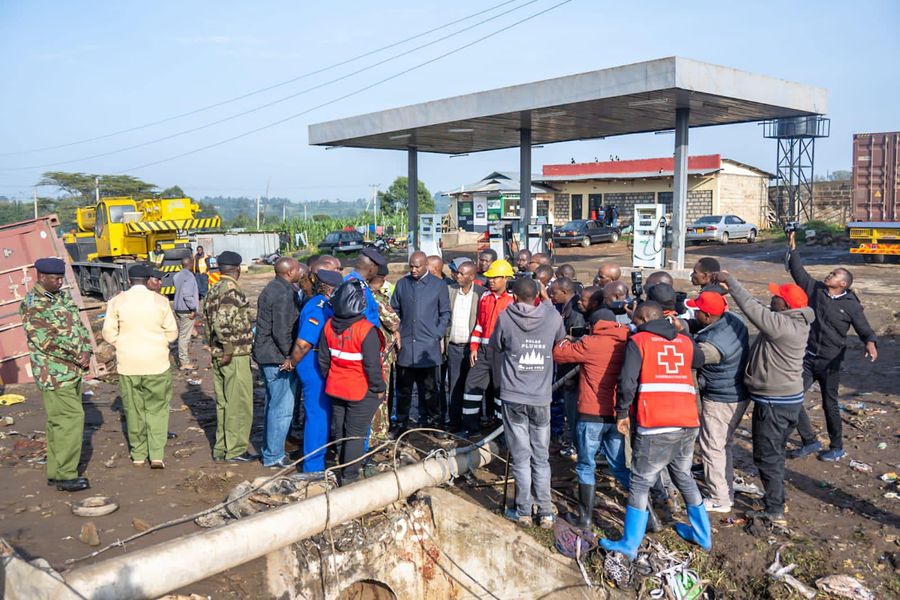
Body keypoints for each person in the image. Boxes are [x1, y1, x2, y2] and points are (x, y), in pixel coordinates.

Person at [600, 302, 709, 558]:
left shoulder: (640, 340)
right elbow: (700, 359)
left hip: (655, 421)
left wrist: (622, 413)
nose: (633, 324)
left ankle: (629, 544)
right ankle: (703, 536)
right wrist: (684, 332)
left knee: (640, 482)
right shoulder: (683, 340)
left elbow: (627, 381)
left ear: (642, 318)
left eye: (635, 320)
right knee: (683, 475)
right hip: (687, 420)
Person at [714, 271, 813, 525]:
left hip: (774, 404)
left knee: (766, 456)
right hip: (787, 401)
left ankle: (774, 509)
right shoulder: (795, 321)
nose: (772, 299)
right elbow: (758, 309)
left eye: (777, 297)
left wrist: (731, 280)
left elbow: (750, 308)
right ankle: (776, 500)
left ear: (787, 306)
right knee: (775, 453)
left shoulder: (783, 326)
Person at [786, 232, 878, 462]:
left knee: (830, 405)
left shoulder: (851, 305)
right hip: (807, 358)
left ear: (843, 283)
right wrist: (793, 247)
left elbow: (863, 327)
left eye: (835, 274)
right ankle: (810, 440)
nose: (830, 274)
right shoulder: (815, 290)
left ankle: (836, 446)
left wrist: (870, 342)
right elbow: (799, 272)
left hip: (830, 362)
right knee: (792, 397)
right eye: (831, 272)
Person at [492, 277, 565, 527]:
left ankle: (523, 510)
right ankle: (545, 511)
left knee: (521, 456)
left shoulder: (505, 317)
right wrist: (545, 300)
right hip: (541, 398)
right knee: (541, 456)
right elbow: (561, 338)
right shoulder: (552, 317)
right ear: (538, 294)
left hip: (513, 396)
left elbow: (497, 346)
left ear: (513, 295)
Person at [20, 258, 93, 492]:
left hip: (71, 372)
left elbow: (78, 327)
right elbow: (46, 341)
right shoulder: (33, 304)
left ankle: (56, 471)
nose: (59, 282)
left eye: (61, 278)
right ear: (41, 277)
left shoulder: (60, 297)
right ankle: (65, 475)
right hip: (54, 374)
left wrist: (87, 350)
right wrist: (77, 356)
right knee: (70, 419)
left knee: (58, 423)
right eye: (55, 278)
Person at [553, 308, 630, 529]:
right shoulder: (628, 340)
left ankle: (585, 517)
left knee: (586, 465)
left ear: (594, 325)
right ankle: (647, 514)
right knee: (620, 467)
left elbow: (560, 354)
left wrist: (567, 339)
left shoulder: (591, 342)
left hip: (592, 413)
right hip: (617, 414)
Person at [102, 263, 178, 468]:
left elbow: (108, 334)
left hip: (128, 364)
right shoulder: (160, 301)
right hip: (157, 364)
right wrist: (160, 343)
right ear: (147, 281)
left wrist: (122, 343)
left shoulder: (116, 302)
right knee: (157, 409)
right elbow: (172, 333)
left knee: (133, 410)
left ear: (128, 280)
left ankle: (137, 454)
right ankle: (156, 455)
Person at [318, 280, 386, 484]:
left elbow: (323, 360)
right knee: (355, 434)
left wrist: (333, 378)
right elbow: (373, 367)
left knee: (340, 431)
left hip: (336, 388)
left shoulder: (329, 326)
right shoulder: (367, 330)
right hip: (361, 391)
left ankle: (341, 469)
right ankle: (349, 477)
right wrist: (379, 389)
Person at [688, 292, 750, 513]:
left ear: (706, 315)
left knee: (713, 447)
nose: (694, 312)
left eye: (697, 310)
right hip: (737, 392)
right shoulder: (732, 319)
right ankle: (725, 490)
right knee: (723, 444)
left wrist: (677, 335)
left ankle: (720, 499)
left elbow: (692, 359)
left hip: (720, 399)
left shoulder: (712, 347)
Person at [204, 251, 257, 463]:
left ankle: (221, 448)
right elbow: (221, 322)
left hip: (219, 352)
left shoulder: (213, 288)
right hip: (233, 354)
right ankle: (235, 450)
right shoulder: (231, 290)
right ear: (237, 269)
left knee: (224, 403)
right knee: (239, 403)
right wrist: (227, 349)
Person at [390, 251, 451, 433]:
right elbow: (394, 311)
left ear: (425, 265)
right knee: (403, 391)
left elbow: (445, 313)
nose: (413, 270)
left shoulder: (438, 285)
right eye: (411, 266)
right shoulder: (402, 284)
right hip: (406, 347)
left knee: (431, 390)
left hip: (428, 348)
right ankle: (401, 425)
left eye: (417, 266)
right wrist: (397, 331)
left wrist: (436, 334)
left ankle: (434, 424)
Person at [291, 269, 343, 472]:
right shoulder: (317, 307)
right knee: (318, 414)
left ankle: (318, 458)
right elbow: (304, 343)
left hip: (319, 360)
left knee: (323, 412)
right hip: (312, 361)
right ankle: (313, 466)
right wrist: (292, 362)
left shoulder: (326, 303)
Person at [253, 257, 303, 468]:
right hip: (276, 357)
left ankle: (269, 451)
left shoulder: (271, 287)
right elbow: (282, 331)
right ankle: (274, 455)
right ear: (290, 272)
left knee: (272, 406)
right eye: (299, 268)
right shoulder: (284, 293)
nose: (302, 271)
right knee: (281, 409)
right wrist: (290, 357)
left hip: (266, 354)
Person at [462, 259, 515, 436]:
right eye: (489, 277)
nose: (491, 280)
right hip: (483, 351)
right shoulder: (485, 297)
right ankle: (471, 429)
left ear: (506, 278)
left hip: (503, 353)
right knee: (471, 386)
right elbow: (479, 325)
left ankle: (501, 432)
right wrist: (474, 347)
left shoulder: (513, 300)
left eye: (495, 277)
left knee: (501, 391)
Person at [548, 277, 586, 458]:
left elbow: (576, 347)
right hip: (566, 371)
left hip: (572, 373)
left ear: (564, 292)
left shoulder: (575, 312)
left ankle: (576, 448)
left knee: (573, 414)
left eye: (554, 292)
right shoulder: (566, 308)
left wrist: (571, 376)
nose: (551, 295)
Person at [445, 261, 484, 433]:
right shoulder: (450, 291)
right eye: (457, 273)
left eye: (462, 273)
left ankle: (473, 423)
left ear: (472, 277)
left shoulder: (481, 294)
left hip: (473, 349)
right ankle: (454, 421)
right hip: (454, 347)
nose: (458, 276)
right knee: (454, 386)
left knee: (473, 387)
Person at [369, 263, 401, 441]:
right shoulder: (375, 298)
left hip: (369, 353)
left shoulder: (358, 293)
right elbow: (394, 321)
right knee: (381, 394)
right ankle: (378, 434)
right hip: (381, 356)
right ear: (382, 279)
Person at [344, 248, 383, 328]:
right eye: (377, 267)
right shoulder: (358, 288)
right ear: (372, 268)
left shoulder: (348, 280)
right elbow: (362, 319)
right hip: (364, 337)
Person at [173, 256, 199, 370]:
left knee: (185, 331)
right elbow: (187, 295)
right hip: (186, 309)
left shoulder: (177, 276)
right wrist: (193, 308)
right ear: (191, 263)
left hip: (178, 308)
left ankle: (193, 331)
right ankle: (184, 362)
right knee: (184, 337)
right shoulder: (189, 276)